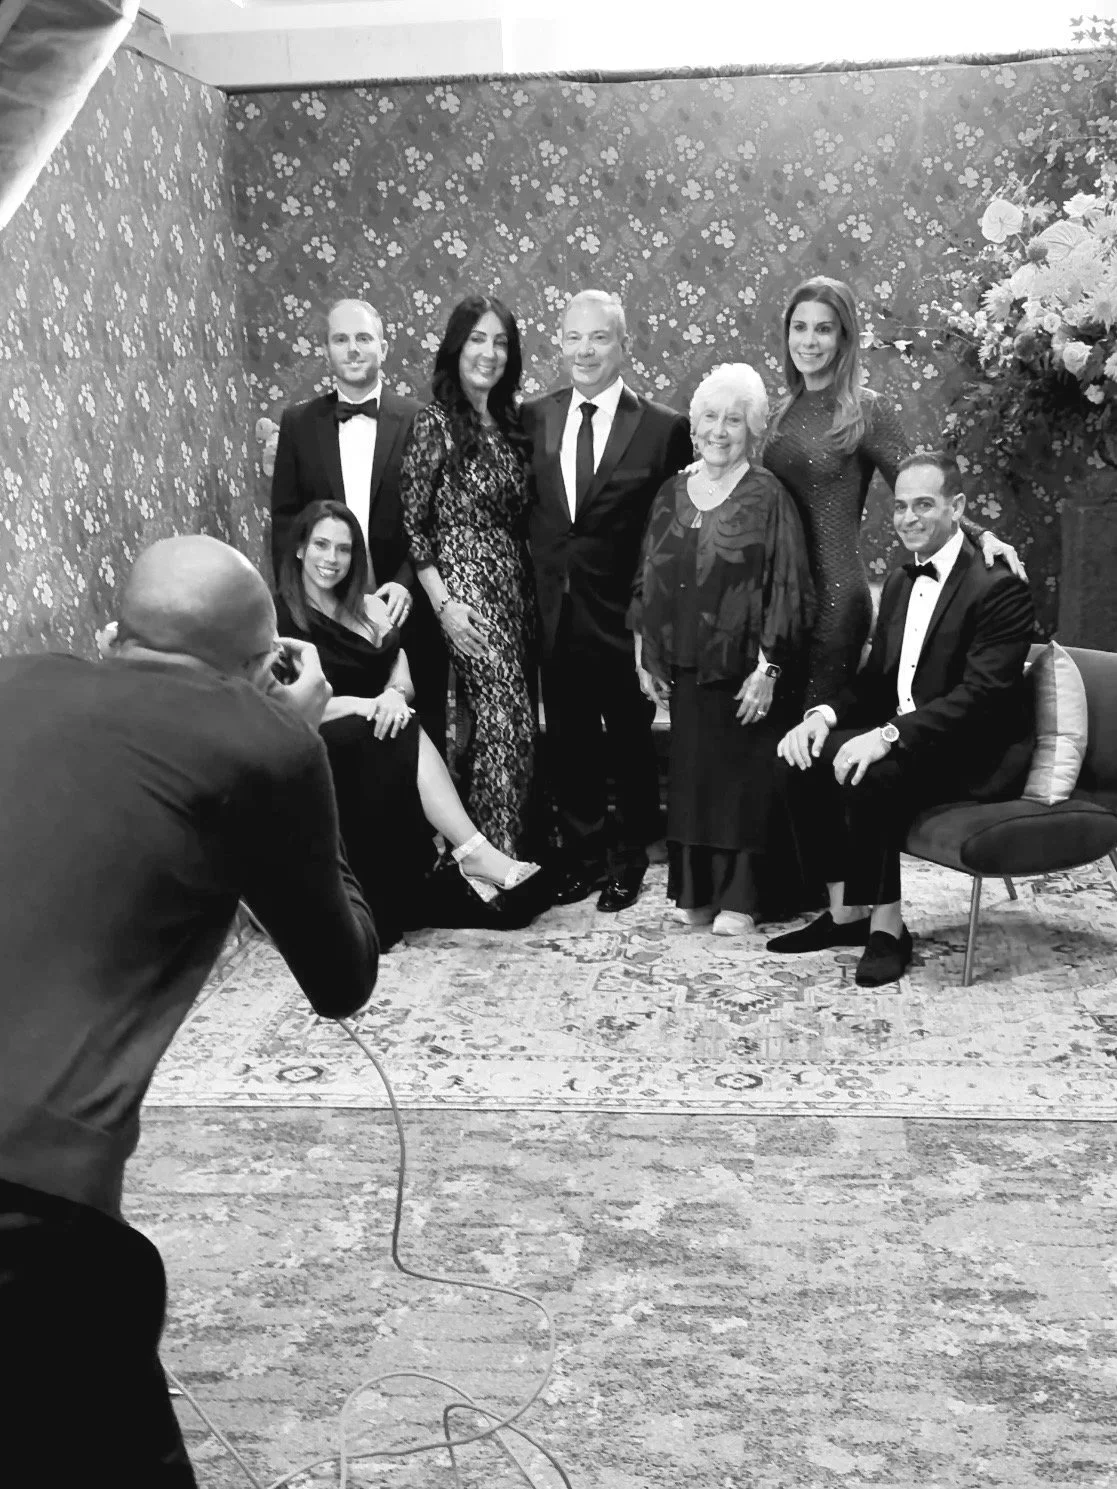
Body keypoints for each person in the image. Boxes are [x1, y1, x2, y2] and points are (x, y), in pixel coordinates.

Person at [0, 534, 379, 1486]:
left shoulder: (15, 677)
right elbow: (343, 976)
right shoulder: (261, 742)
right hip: (31, 1219)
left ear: (111, 631)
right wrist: (298, 741)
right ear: (265, 667)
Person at [768, 453, 1036, 985]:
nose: (909, 518)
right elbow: (876, 682)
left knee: (872, 771)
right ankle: (847, 914)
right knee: (798, 757)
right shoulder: (897, 580)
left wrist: (887, 736)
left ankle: (888, 931)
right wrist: (823, 716)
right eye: (900, 507)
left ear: (956, 507)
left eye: (924, 505)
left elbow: (982, 698)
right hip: (912, 735)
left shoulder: (998, 585)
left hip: (973, 751)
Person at [275, 500, 541, 944]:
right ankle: (473, 849)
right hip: (321, 747)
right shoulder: (281, 619)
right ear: (300, 549)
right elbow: (289, 708)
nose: (331, 559)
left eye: (343, 549)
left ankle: (457, 859)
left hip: (379, 745)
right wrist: (368, 704)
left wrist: (394, 694)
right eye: (321, 545)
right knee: (398, 727)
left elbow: (398, 663)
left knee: (518, 908)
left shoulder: (369, 608)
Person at [761, 275, 1024, 708]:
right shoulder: (779, 412)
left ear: (844, 338)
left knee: (815, 737)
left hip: (834, 598)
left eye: (823, 328)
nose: (808, 340)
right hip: (783, 603)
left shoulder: (866, 409)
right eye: (799, 327)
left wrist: (982, 535)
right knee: (778, 743)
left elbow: (920, 485)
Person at [524, 289, 693, 912]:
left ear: (624, 345)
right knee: (568, 740)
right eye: (573, 337)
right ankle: (584, 857)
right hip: (553, 611)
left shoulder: (664, 427)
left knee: (627, 741)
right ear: (560, 344)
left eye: (599, 338)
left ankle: (629, 860)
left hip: (625, 616)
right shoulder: (532, 417)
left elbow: (671, 530)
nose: (585, 350)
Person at [631, 364, 815, 933]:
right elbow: (646, 578)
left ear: (752, 429)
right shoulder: (670, 493)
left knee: (741, 788)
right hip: (686, 670)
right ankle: (698, 889)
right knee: (694, 784)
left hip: (746, 674)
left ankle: (743, 896)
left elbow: (789, 585)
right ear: (694, 426)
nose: (719, 430)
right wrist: (644, 653)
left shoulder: (768, 495)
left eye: (733, 420)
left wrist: (769, 667)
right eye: (710, 417)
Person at [269, 297, 448, 751]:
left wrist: (407, 582)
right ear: (327, 350)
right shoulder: (297, 422)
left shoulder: (421, 419)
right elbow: (286, 520)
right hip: (324, 617)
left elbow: (435, 517)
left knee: (418, 730)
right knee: (336, 737)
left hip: (406, 604)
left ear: (383, 348)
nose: (352, 349)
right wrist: (296, 608)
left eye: (363, 338)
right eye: (341, 339)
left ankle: (430, 823)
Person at [400, 293, 539, 859]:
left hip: (513, 587)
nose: (490, 352)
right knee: (504, 728)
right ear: (457, 348)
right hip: (465, 592)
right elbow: (414, 526)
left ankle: (507, 857)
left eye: (501, 341)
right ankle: (491, 867)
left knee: (502, 727)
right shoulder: (434, 423)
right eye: (478, 339)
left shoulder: (511, 423)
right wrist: (445, 606)